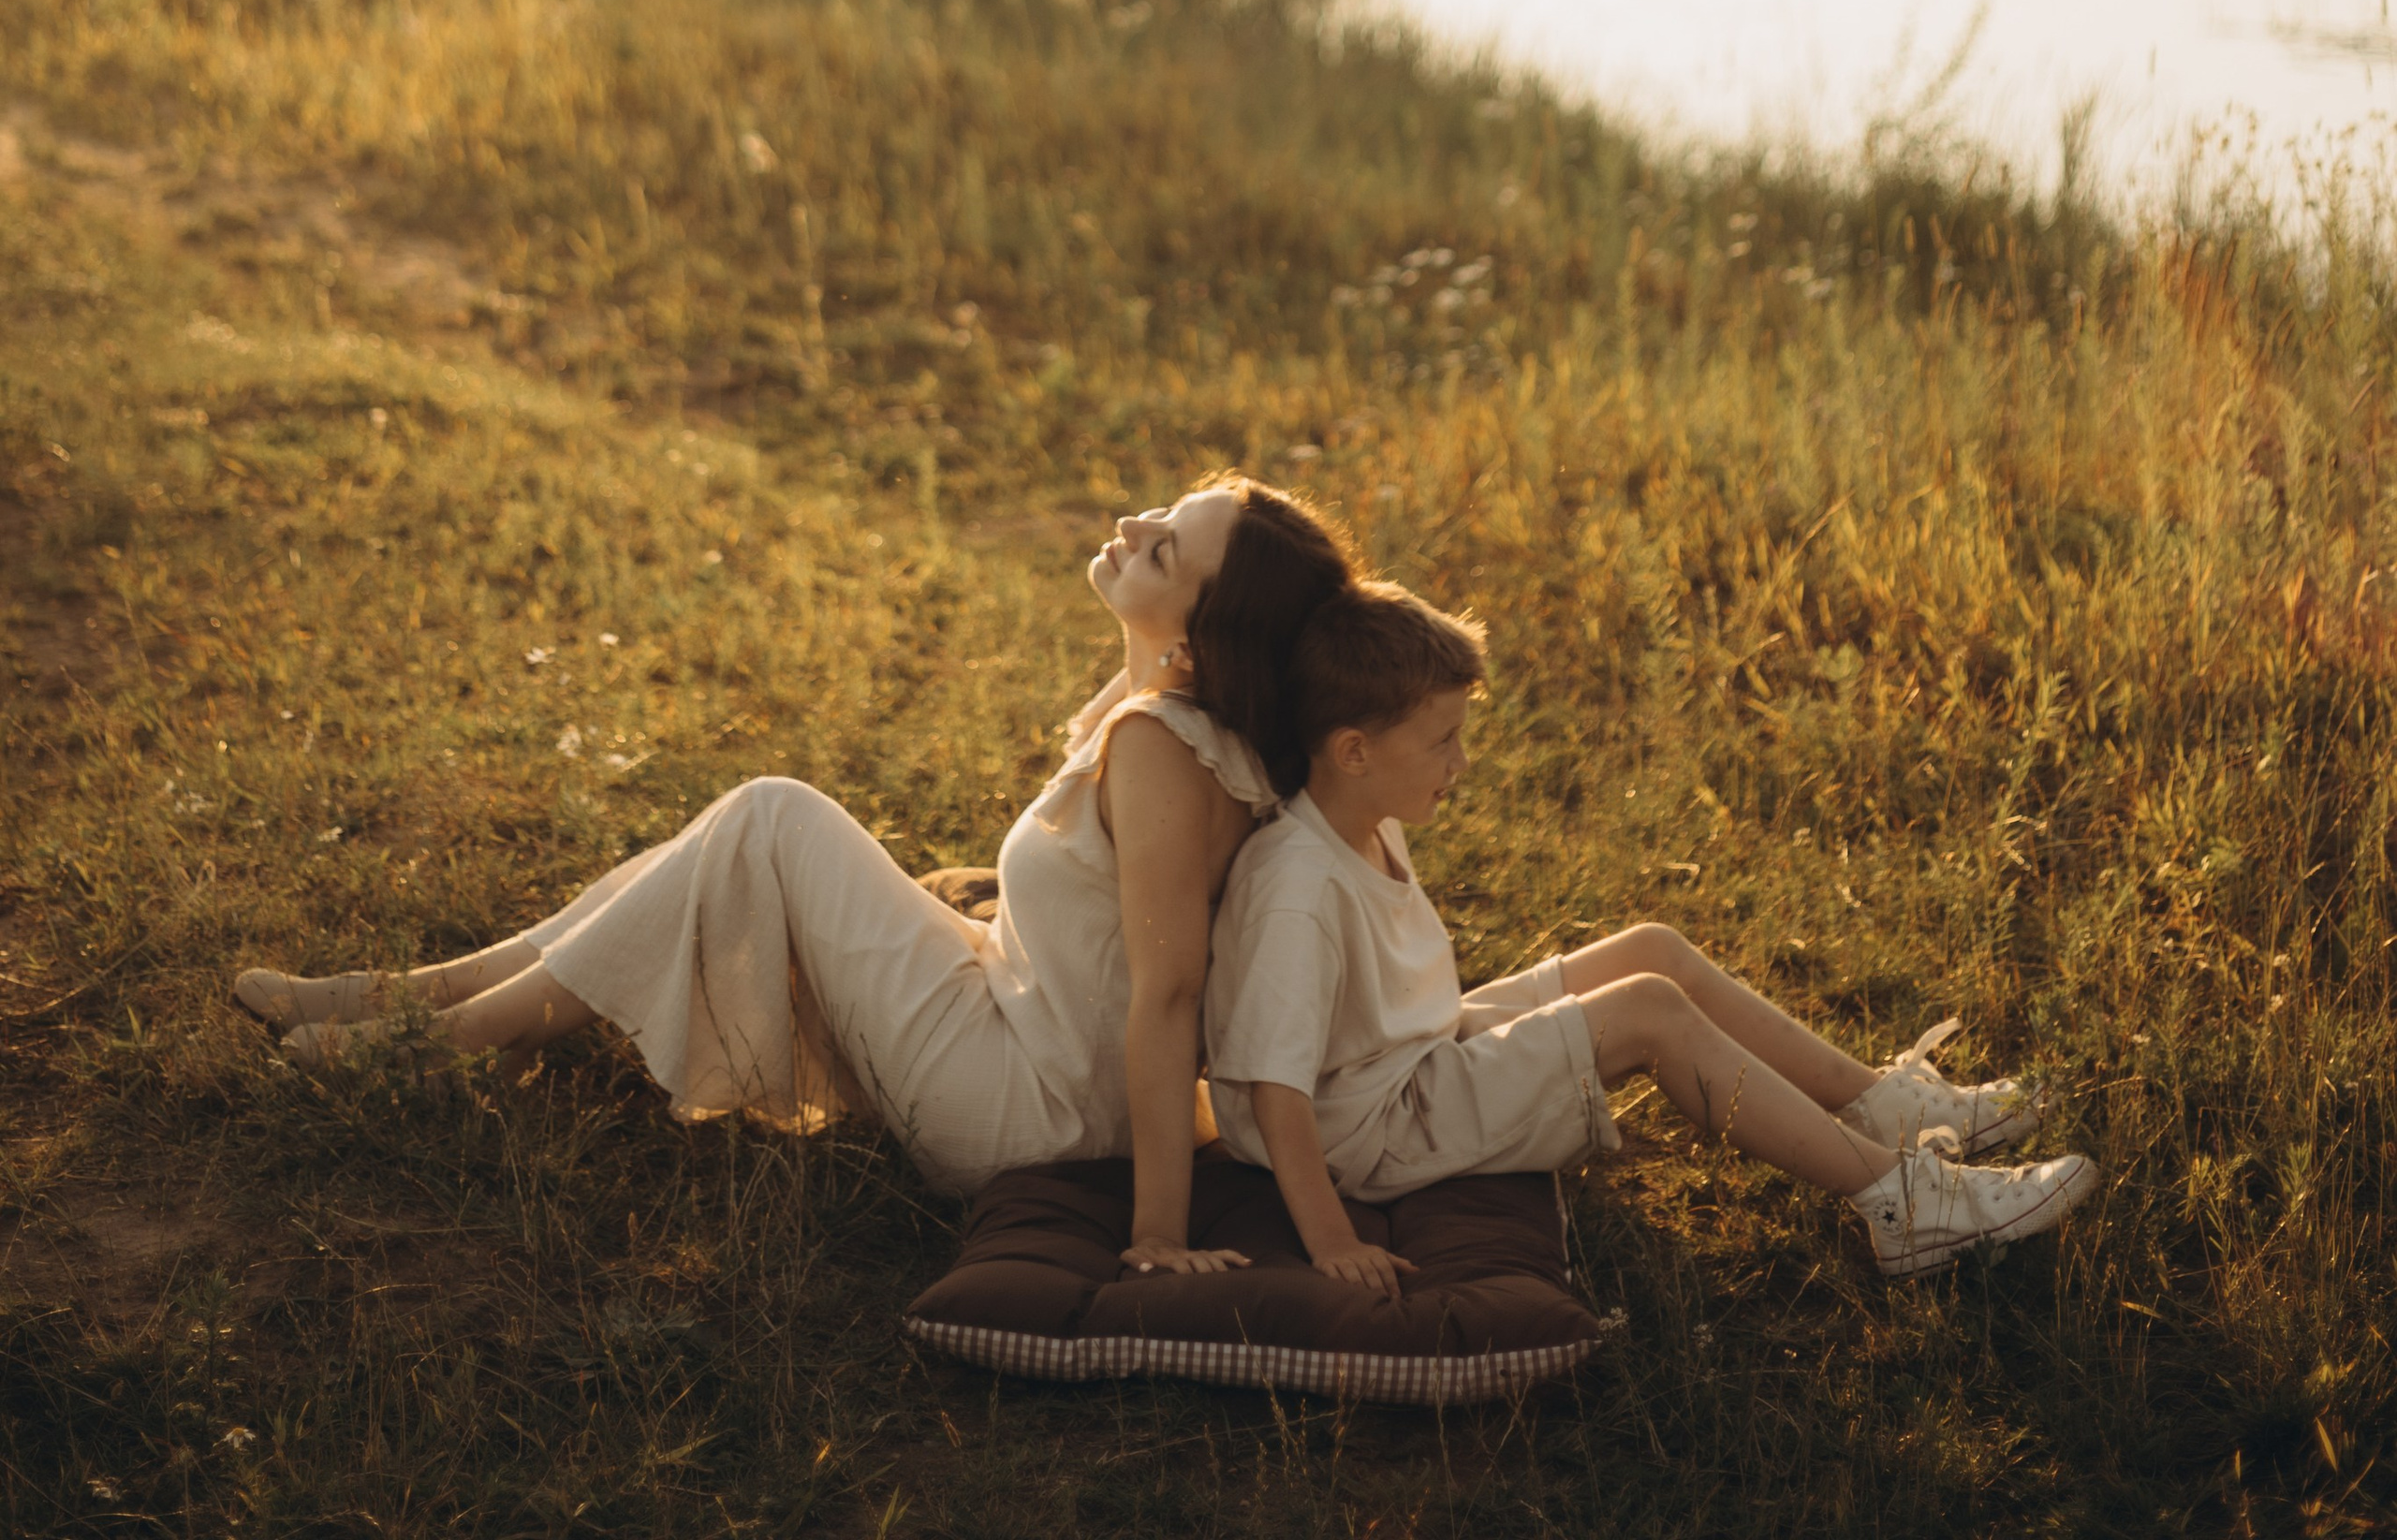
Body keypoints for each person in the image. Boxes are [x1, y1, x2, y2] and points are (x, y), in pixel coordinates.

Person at [236, 476, 1349, 1271]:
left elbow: (1167, 993)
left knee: (773, 817)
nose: (1131, 523)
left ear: (1200, 646)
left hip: (1027, 1104)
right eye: (1164, 511)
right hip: (1014, 1019)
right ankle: (423, 996)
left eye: (1164, 547)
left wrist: (1157, 1229)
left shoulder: (1165, 752)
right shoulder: (1166, 720)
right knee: (737, 831)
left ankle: (441, 1043)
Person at [1203, 579, 2096, 1284]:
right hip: (1372, 1127)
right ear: (1353, 749)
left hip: (1404, 1055)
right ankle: (1905, 1204)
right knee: (1647, 1013)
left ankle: (1888, 1107)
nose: (1461, 762)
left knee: (1651, 950)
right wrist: (1329, 1240)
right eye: (1442, 741)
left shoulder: (1359, 814)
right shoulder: (1296, 890)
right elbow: (1276, 1089)